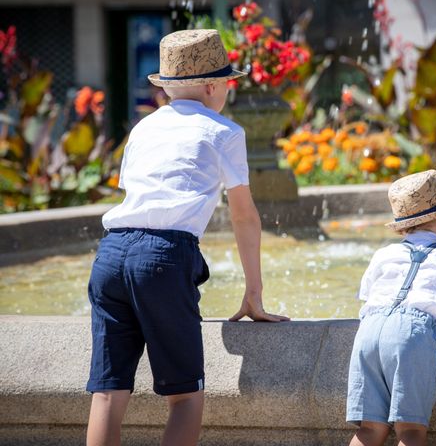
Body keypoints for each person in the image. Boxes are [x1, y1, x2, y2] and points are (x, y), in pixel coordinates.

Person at [86, 29, 289, 446]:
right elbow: (244, 217)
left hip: (110, 255)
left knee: (108, 393)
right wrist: (254, 292)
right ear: (215, 86)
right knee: (185, 397)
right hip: (162, 258)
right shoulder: (225, 132)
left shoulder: (142, 129)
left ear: (166, 88)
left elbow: (137, 192)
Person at [346, 169, 436, 446]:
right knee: (410, 430)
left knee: (369, 430)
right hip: (411, 335)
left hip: (369, 331)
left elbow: (368, 297)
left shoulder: (383, 254)